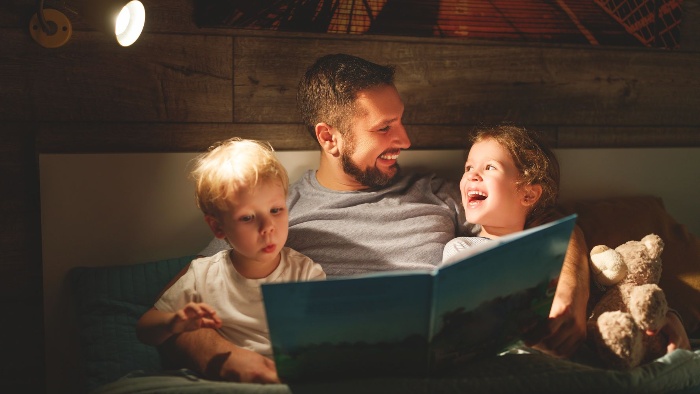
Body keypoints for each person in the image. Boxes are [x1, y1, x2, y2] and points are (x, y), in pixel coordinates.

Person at [136, 138, 325, 383]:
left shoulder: (305, 273)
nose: (268, 227)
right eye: (247, 218)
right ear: (217, 227)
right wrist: (174, 322)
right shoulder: (203, 275)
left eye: (276, 210)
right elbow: (144, 329)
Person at [442, 125, 560, 261]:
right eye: (469, 168)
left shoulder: (546, 250)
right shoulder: (461, 249)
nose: (472, 175)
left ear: (529, 195)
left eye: (490, 167)